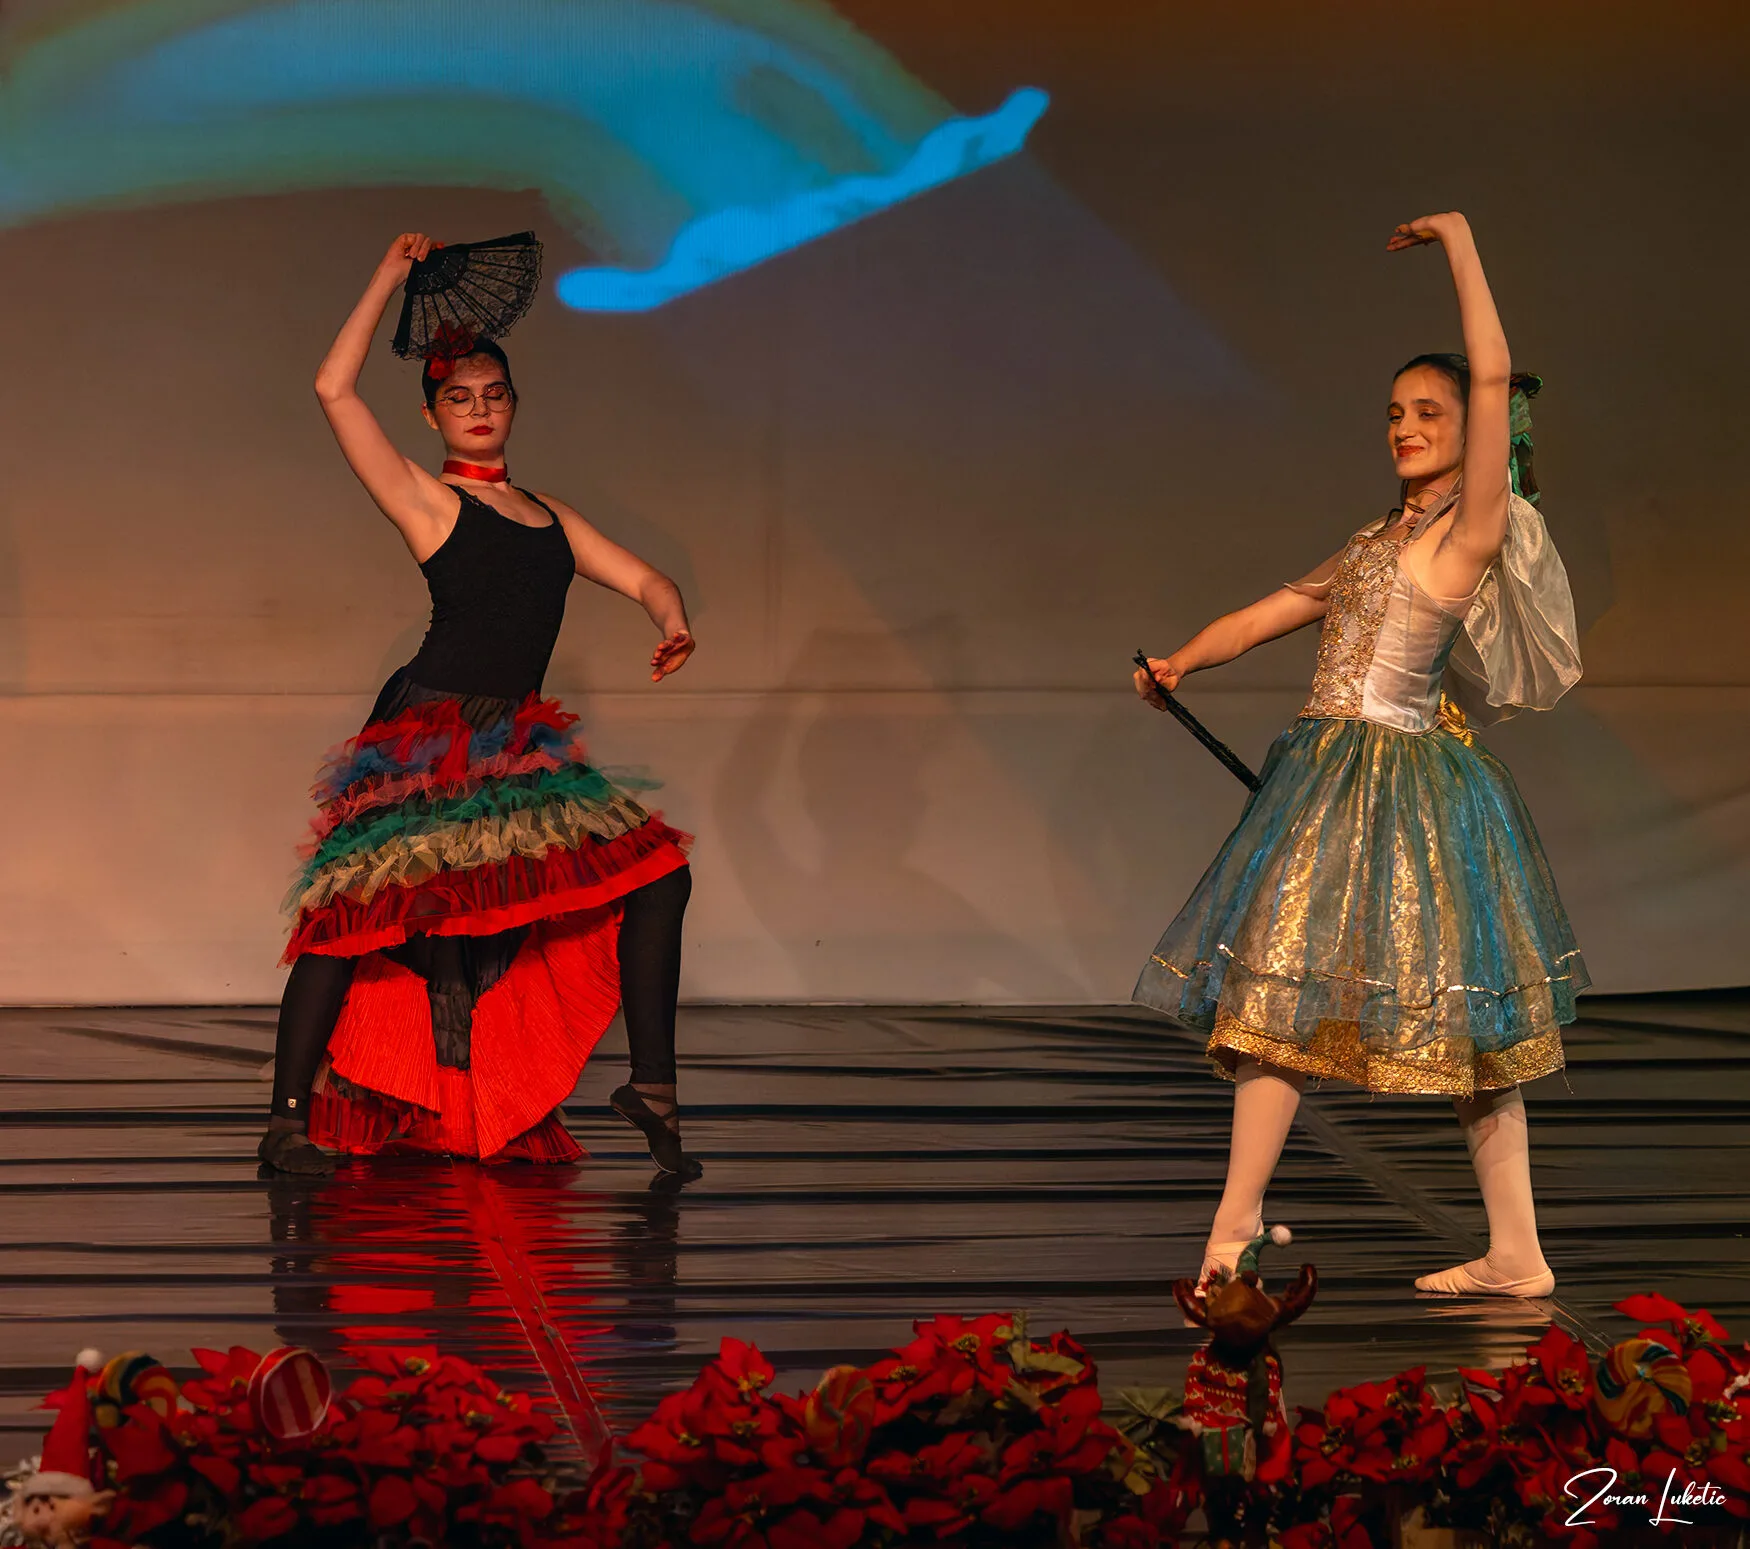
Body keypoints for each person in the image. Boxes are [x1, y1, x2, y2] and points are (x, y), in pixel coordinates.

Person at [1132, 212, 1585, 1298]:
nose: (1405, 427)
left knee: (1403, 1018)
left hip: (1402, 785)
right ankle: (1502, 1248)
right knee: (1278, 1007)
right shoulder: (1377, 540)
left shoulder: (1469, 531)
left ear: (1477, 432)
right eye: (1393, 412)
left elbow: (1491, 374)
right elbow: (1276, 609)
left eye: (1430, 412)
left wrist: (1462, 243)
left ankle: (1242, 1236)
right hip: (1335, 776)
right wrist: (1183, 659)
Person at [259, 232, 701, 1180]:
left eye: (494, 394)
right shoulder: (428, 502)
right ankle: (289, 1120)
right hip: (430, 730)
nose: (480, 410)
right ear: (432, 415)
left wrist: (671, 619)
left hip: (515, 742)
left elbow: (646, 577)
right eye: (459, 398)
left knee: (658, 875)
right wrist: (388, 275)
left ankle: (653, 1086)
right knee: (363, 913)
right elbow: (334, 389)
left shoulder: (550, 515)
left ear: (514, 404)